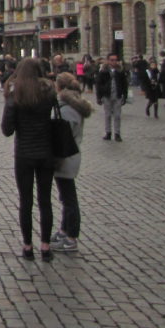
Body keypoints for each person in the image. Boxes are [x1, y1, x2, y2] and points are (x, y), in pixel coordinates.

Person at [1, 57, 58, 261]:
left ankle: (27, 246)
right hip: (46, 152)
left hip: (24, 153)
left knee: (26, 201)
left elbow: (7, 129)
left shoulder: (16, 93)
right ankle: (45, 246)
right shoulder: (49, 92)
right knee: (45, 201)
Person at [52, 73, 93, 253]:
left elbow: (62, 135)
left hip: (66, 155)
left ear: (60, 87)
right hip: (67, 154)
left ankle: (71, 237)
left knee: (69, 198)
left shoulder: (68, 109)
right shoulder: (70, 105)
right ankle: (64, 229)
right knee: (65, 195)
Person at [95, 53, 128, 141]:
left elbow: (125, 84)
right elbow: (98, 84)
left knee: (117, 115)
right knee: (108, 115)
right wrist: (99, 96)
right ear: (108, 60)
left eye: (115, 60)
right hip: (107, 95)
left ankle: (117, 133)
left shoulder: (120, 71)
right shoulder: (103, 71)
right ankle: (108, 132)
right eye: (112, 60)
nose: (114, 62)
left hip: (117, 95)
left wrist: (125, 95)